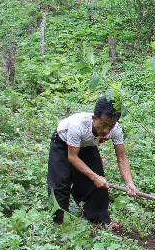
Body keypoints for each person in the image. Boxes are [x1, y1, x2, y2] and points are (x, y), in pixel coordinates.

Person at [47, 96, 137, 229]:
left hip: (87, 145)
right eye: (103, 124)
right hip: (62, 143)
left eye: (110, 126)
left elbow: (122, 157)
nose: (106, 130)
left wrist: (129, 183)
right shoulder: (77, 125)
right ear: (94, 118)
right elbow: (72, 157)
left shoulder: (116, 128)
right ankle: (59, 222)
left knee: (99, 183)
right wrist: (94, 177)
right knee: (60, 182)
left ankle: (99, 218)